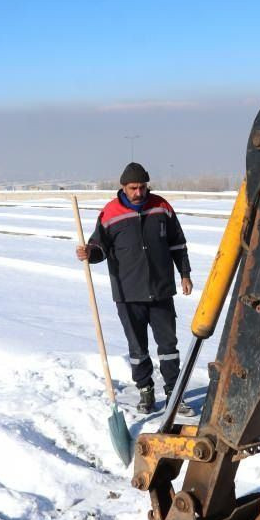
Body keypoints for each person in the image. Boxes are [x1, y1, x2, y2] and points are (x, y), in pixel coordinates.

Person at [76, 162, 193, 413]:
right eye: (133, 188)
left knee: (168, 346)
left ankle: (174, 392)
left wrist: (184, 273)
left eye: (142, 187)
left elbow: (177, 244)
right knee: (137, 348)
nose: (138, 193)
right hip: (128, 293)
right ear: (123, 187)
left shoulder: (161, 207)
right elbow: (99, 247)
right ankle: (145, 390)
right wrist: (89, 252)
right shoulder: (110, 213)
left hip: (161, 290)